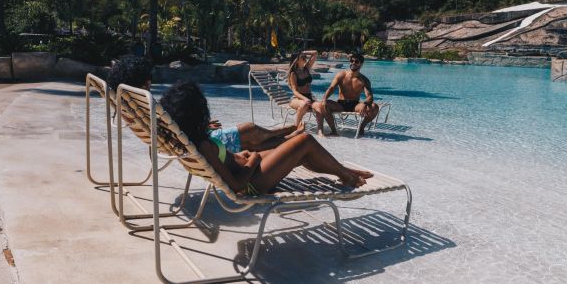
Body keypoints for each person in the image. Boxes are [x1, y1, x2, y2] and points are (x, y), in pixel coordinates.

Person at [159, 82, 372, 195]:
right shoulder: (203, 146)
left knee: (298, 149)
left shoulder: (189, 139)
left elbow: (225, 161)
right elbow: (236, 187)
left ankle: (342, 171)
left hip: (250, 168)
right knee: (304, 141)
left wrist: (242, 156)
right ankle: (347, 175)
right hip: (253, 182)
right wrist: (252, 160)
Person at [108, 56, 302, 152]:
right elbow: (171, 128)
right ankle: (288, 135)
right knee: (250, 131)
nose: (150, 81)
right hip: (196, 143)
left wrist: (201, 125)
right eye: (147, 78)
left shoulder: (132, 105)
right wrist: (200, 128)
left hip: (186, 139)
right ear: (140, 81)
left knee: (250, 140)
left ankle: (287, 135)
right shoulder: (145, 103)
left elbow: (169, 127)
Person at [313, 52, 379, 137]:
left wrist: (364, 103)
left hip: (355, 105)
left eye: (356, 62)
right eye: (352, 61)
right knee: (323, 104)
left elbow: (370, 96)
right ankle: (334, 131)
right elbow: (331, 88)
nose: (353, 63)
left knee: (374, 107)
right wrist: (325, 98)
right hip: (341, 104)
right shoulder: (342, 75)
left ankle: (361, 127)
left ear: (361, 64)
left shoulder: (364, 80)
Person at [287, 50, 323, 128]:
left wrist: (302, 52)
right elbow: (294, 91)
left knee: (320, 106)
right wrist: (304, 99)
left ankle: (320, 130)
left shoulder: (306, 68)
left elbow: (315, 53)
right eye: (302, 57)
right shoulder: (293, 74)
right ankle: (296, 127)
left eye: (305, 57)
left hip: (309, 97)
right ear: (296, 60)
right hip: (297, 99)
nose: (304, 58)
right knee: (304, 104)